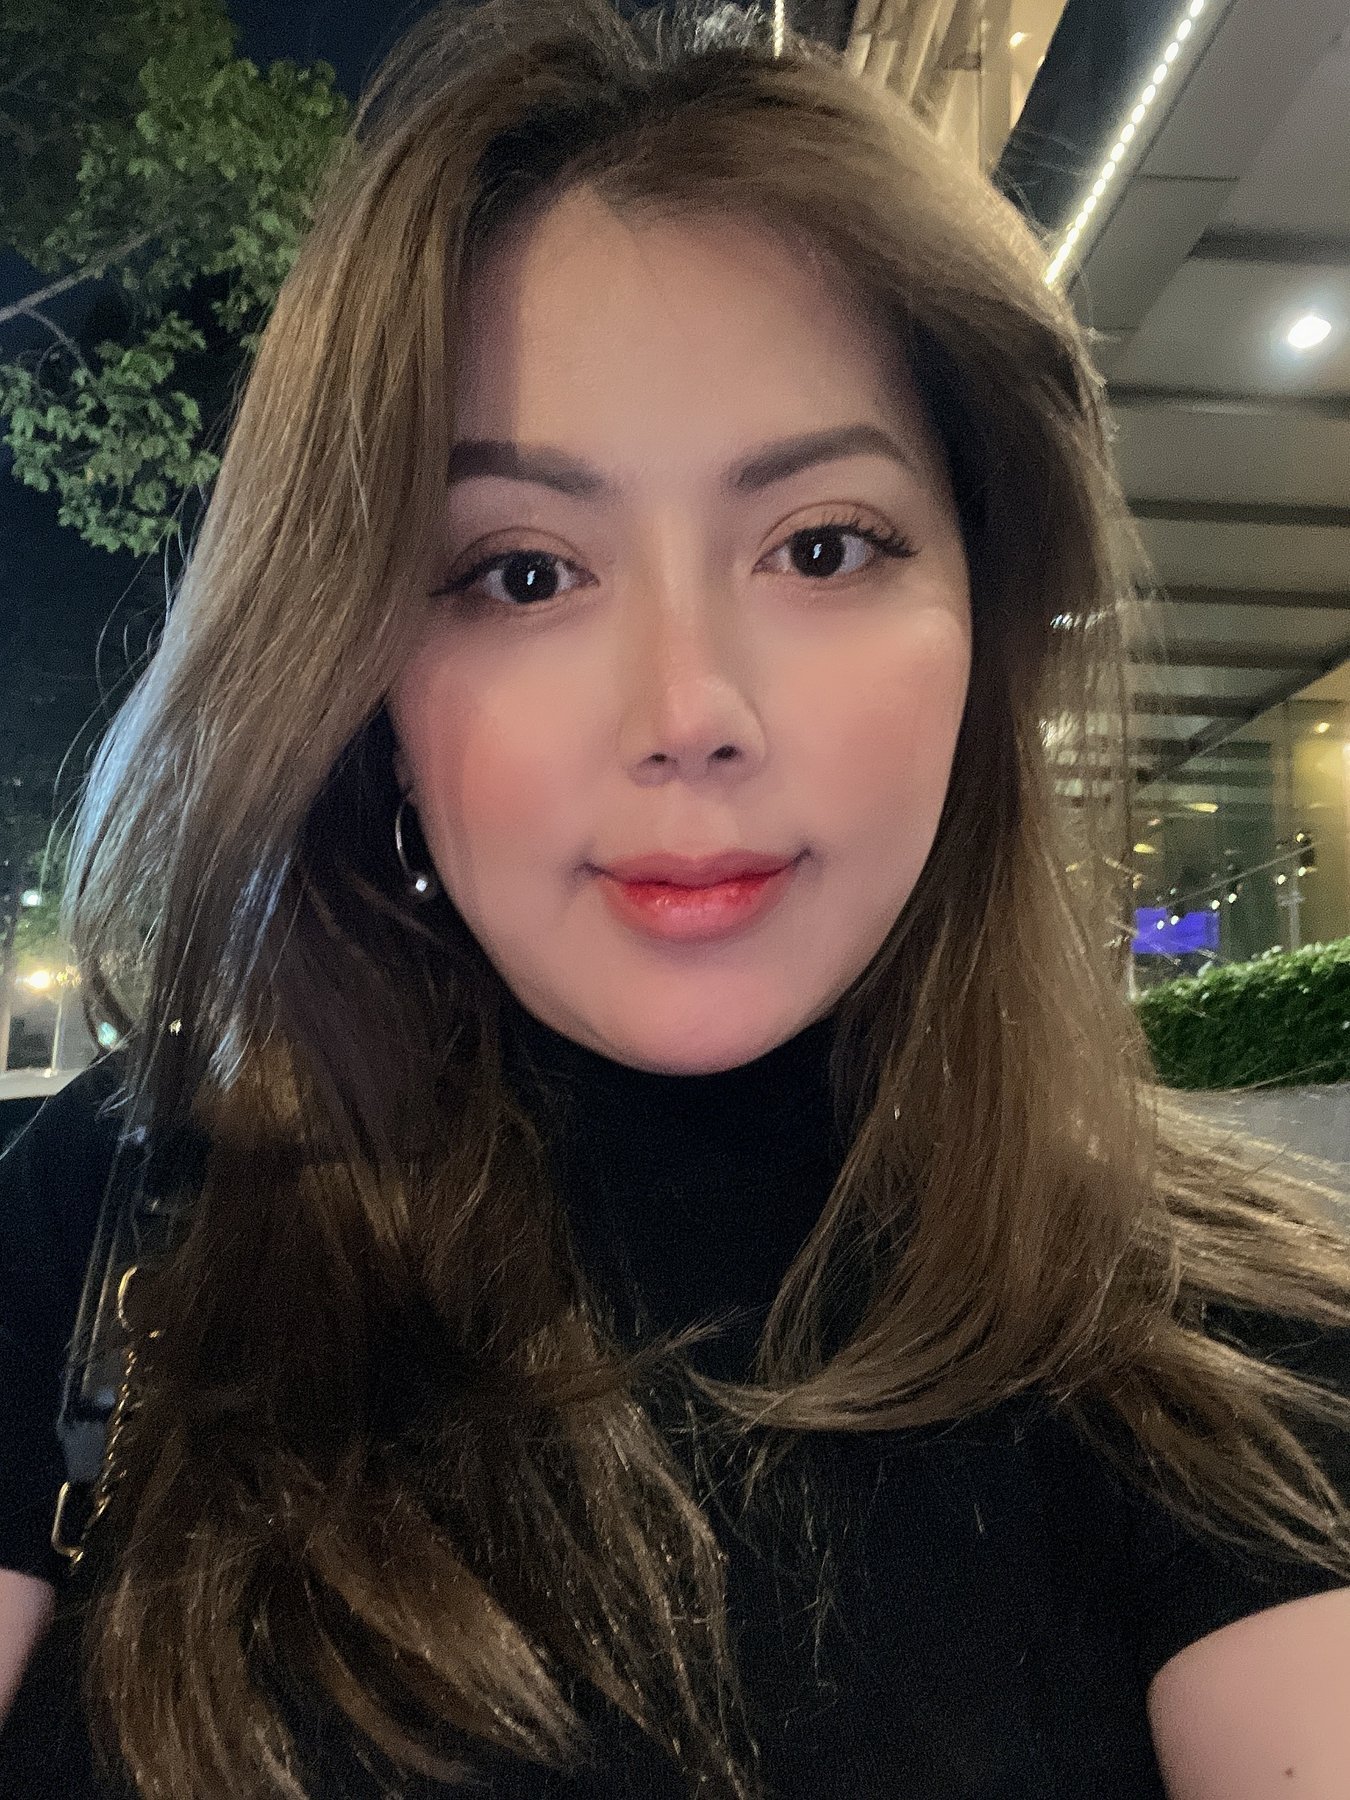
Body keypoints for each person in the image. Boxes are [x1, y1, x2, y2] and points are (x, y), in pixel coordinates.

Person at [2, 1, 1349, 1794]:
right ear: (367, 677)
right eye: (523, 572)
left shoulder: (1236, 1354)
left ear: (987, 622)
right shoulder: (114, 1229)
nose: (687, 712)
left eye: (820, 546)